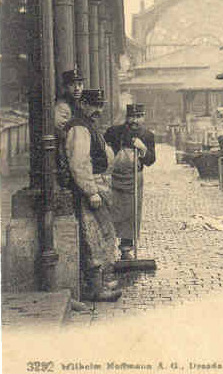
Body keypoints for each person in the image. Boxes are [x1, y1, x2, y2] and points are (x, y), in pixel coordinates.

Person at [64, 89, 122, 302]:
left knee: (104, 233)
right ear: (83, 104)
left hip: (99, 183)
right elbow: (79, 163)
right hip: (90, 186)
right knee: (93, 236)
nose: (98, 110)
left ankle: (102, 281)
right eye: (94, 105)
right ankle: (95, 289)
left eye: (101, 105)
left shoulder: (88, 125)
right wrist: (91, 192)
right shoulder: (79, 128)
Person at [105, 103, 156, 261]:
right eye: (131, 117)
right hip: (114, 177)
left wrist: (143, 149)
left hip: (134, 179)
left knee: (131, 214)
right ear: (126, 117)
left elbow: (150, 161)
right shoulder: (114, 132)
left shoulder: (148, 136)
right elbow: (103, 149)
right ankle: (107, 247)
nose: (134, 121)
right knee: (112, 211)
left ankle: (126, 248)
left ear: (144, 117)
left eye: (138, 117)